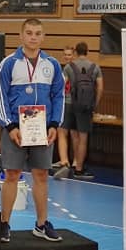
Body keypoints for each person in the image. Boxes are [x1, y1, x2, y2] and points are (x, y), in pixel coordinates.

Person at [0, 19, 65, 243]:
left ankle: (41, 225)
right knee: (12, 175)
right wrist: (9, 126)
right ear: (21, 36)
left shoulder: (52, 65)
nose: (33, 37)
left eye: (38, 33)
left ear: (43, 37)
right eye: (29, 33)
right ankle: (4, 224)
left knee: (41, 175)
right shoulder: (8, 63)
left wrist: (54, 124)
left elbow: (59, 96)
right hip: (15, 128)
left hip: (42, 129)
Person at [62, 41, 103, 179]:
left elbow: (62, 85)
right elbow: (100, 88)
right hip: (85, 107)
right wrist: (94, 104)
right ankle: (79, 169)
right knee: (82, 138)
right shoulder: (95, 67)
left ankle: (67, 162)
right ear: (87, 51)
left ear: (76, 52)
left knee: (68, 134)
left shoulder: (69, 67)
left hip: (69, 104)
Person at [51, 46, 74, 179]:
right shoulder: (79, 68)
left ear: (73, 55)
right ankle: (74, 162)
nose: (67, 57)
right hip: (77, 104)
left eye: (69, 55)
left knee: (62, 132)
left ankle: (64, 161)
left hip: (67, 103)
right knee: (74, 135)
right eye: (65, 55)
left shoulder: (67, 69)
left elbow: (61, 86)